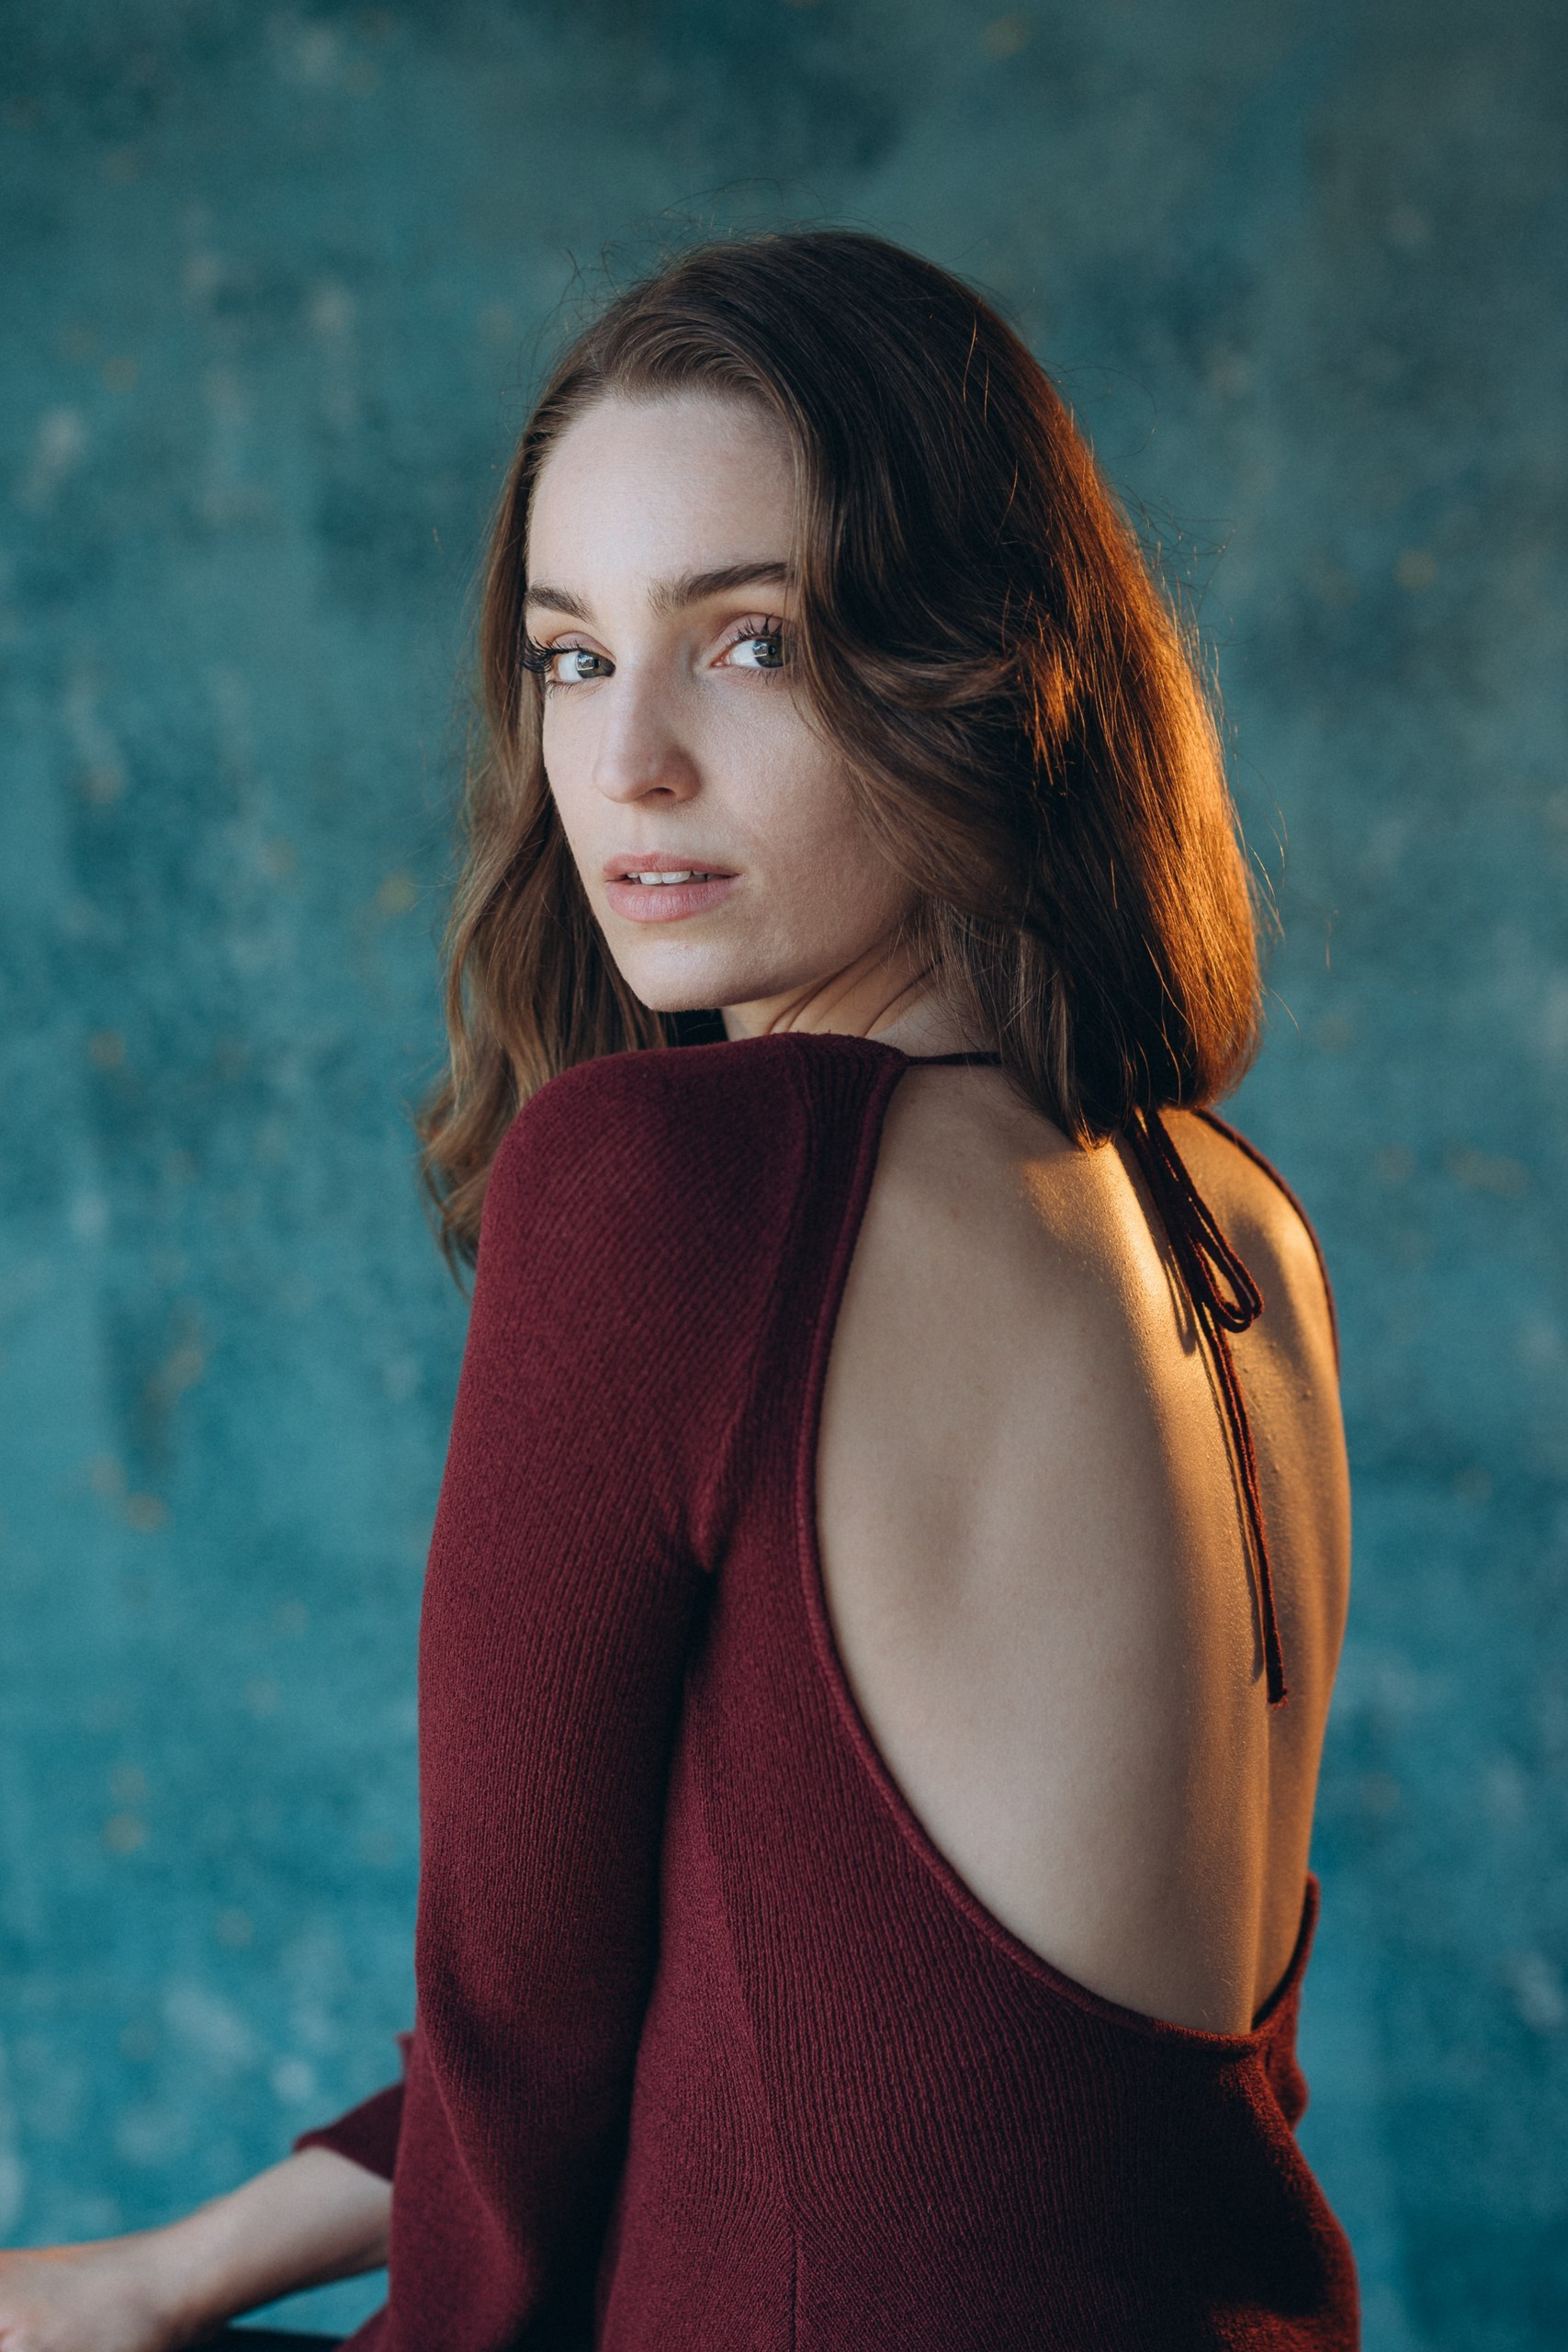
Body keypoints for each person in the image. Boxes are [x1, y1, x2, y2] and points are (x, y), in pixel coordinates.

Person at [0, 230, 1358, 2350]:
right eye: (566, 654)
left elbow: (521, 2099)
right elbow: (856, 2043)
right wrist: (162, 2277)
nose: (621, 761)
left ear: (981, 660)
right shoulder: (1235, 1231)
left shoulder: (683, 1189)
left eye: (744, 645)